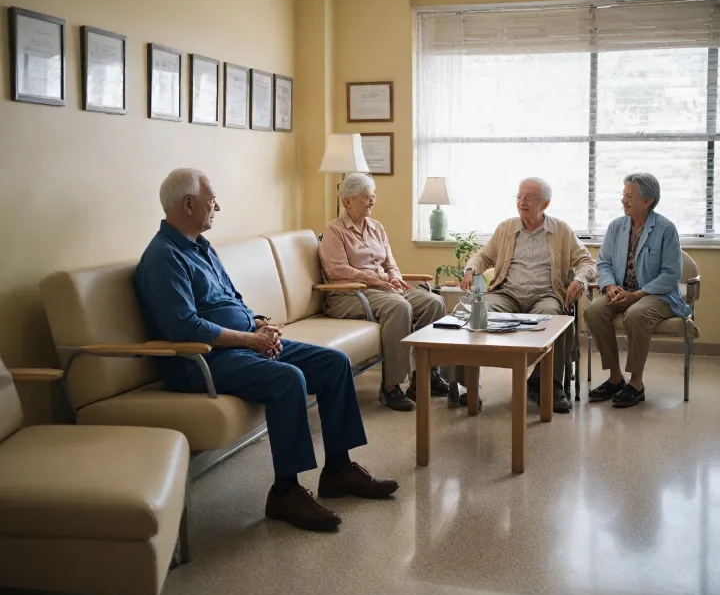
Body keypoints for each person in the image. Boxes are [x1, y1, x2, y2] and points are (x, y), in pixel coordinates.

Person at [134, 168, 398, 534]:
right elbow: (185, 328)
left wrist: (257, 324)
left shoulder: (201, 248)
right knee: (288, 378)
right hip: (201, 361)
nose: (218, 207)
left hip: (241, 346)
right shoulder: (163, 258)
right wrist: (250, 339)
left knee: (333, 363)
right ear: (189, 203)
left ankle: (338, 470)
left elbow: (231, 300)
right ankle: (285, 491)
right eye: (212, 201)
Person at [459, 177, 596, 414]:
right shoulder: (506, 228)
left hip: (546, 294)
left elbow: (586, 262)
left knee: (554, 319)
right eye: (519, 196)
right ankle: (469, 386)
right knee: (477, 314)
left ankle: (549, 387)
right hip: (506, 293)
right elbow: (483, 256)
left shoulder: (561, 230)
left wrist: (579, 278)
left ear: (545, 204)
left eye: (529, 198)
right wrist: (471, 269)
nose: (522, 202)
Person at [319, 173, 448, 412]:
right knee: (400, 307)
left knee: (434, 302)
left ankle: (426, 376)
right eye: (366, 197)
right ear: (347, 201)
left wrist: (395, 278)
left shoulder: (376, 227)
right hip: (348, 294)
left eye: (373, 196)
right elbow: (337, 270)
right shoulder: (334, 231)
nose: (372, 201)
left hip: (384, 286)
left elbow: (390, 262)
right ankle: (392, 386)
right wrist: (376, 280)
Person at [585, 172, 690, 409]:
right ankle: (615, 378)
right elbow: (604, 263)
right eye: (623, 195)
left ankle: (636, 383)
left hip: (656, 295)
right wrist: (610, 286)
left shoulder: (666, 229)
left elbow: (671, 274)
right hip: (621, 290)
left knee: (636, 314)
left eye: (629, 196)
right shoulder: (616, 226)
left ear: (648, 200)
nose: (623, 200)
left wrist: (638, 294)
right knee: (594, 311)